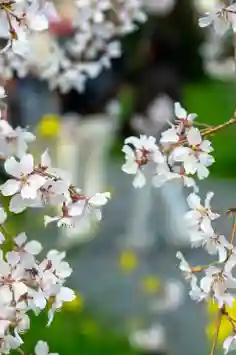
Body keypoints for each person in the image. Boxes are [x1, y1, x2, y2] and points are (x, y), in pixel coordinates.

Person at [50, 12, 123, 247]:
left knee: (70, 172)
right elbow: (116, 83)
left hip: (77, 120)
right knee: (92, 171)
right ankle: (88, 221)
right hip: (100, 118)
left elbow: (63, 85)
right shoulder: (109, 52)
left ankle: (73, 225)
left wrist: (66, 113)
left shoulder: (72, 50)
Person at [120, 23, 192, 250]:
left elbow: (152, 112)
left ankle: (141, 235)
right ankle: (176, 231)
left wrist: (135, 126)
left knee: (148, 190)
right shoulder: (170, 74)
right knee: (165, 188)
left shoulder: (151, 75)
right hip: (166, 141)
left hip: (152, 140)